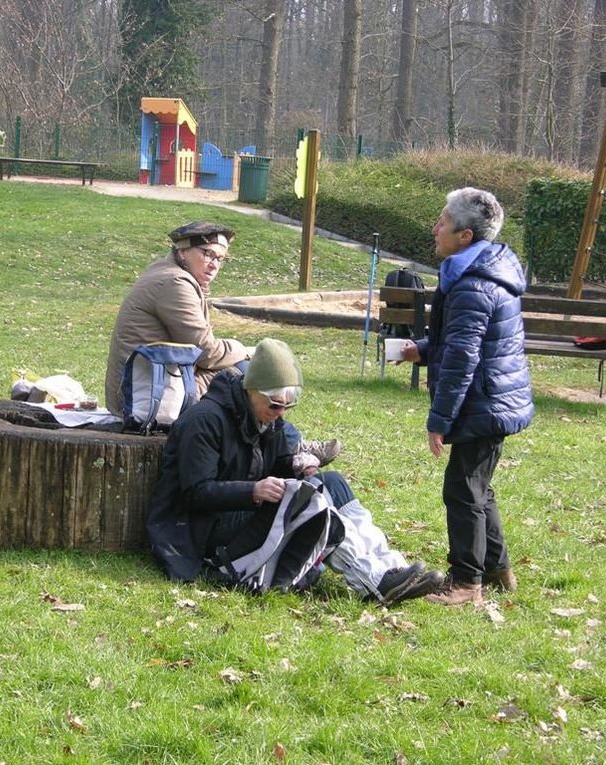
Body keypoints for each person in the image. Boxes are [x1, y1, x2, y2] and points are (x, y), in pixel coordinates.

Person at [146, 337, 443, 604]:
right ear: (252, 391)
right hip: (201, 532)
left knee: (332, 483)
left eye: (286, 407)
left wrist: (295, 465)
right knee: (307, 500)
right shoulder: (205, 421)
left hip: (240, 514)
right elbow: (196, 493)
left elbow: (269, 464)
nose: (281, 414)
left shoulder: (264, 418)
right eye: (275, 406)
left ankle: (390, 566)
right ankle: (373, 582)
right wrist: (254, 491)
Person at [105, 220, 339, 470]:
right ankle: (291, 448)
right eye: (208, 254)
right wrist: (244, 349)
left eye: (220, 258)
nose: (214, 264)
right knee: (247, 375)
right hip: (148, 398)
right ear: (183, 251)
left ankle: (286, 448)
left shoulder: (170, 274)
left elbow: (197, 351)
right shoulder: (174, 283)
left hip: (155, 384)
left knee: (244, 372)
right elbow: (206, 353)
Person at [398, 187, 534, 606]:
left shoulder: (473, 284)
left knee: (462, 491)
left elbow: (462, 359)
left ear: (466, 237)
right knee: (477, 487)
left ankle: (466, 584)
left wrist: (438, 422)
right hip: (494, 397)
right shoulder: (479, 271)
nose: (435, 228)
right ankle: (498, 570)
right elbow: (460, 339)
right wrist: (423, 348)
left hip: (485, 401)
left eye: (443, 222)